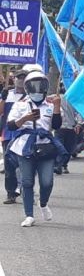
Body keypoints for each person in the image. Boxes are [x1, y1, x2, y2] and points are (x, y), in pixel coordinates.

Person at [7, 71, 63, 227]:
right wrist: (25, 118)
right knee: (27, 181)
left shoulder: (51, 105)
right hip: (25, 146)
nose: (37, 89)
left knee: (47, 182)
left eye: (40, 85)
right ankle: (29, 215)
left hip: (45, 146)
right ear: (27, 87)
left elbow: (56, 125)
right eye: (34, 85)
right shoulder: (20, 105)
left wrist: (57, 107)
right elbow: (10, 125)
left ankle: (43, 203)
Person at [3, 67, 29, 202]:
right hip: (8, 135)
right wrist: (3, 98)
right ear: (14, 79)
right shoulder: (7, 94)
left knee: (26, 166)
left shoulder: (31, 96)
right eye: (19, 77)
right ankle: (11, 193)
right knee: (9, 167)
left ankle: (27, 189)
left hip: (26, 135)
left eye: (24, 78)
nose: (21, 80)